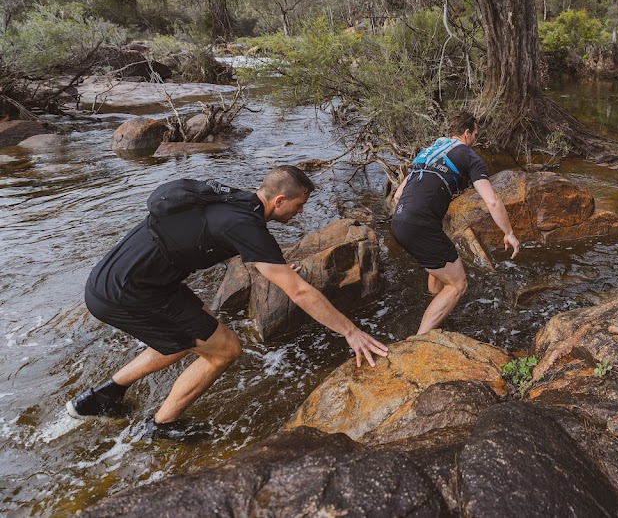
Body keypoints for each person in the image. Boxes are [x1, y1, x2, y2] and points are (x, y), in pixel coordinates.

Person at [66, 165, 388, 440]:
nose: (301, 212)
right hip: (127, 291)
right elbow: (299, 292)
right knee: (226, 349)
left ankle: (103, 396)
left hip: (130, 276)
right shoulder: (247, 225)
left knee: (198, 333)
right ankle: (161, 426)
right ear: (279, 200)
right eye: (299, 205)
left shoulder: (235, 199)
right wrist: (350, 331)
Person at [390, 110, 520, 334]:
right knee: (458, 284)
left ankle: (435, 306)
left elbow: (398, 195)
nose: (475, 140)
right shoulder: (469, 157)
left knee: (438, 267)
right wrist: (508, 232)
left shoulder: (428, 152)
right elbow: (493, 200)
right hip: (421, 225)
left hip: (399, 221)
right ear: (467, 133)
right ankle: (421, 341)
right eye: (476, 135)